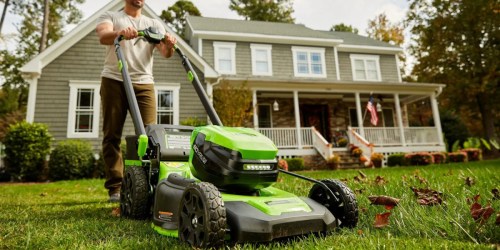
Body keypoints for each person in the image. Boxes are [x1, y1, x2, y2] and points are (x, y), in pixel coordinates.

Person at [96, 0, 177, 202]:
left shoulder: (154, 24)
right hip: (114, 79)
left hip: (144, 83)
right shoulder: (111, 16)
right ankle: (116, 187)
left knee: (150, 135)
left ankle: (150, 185)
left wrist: (169, 45)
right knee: (112, 134)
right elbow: (103, 36)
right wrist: (120, 33)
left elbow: (166, 53)